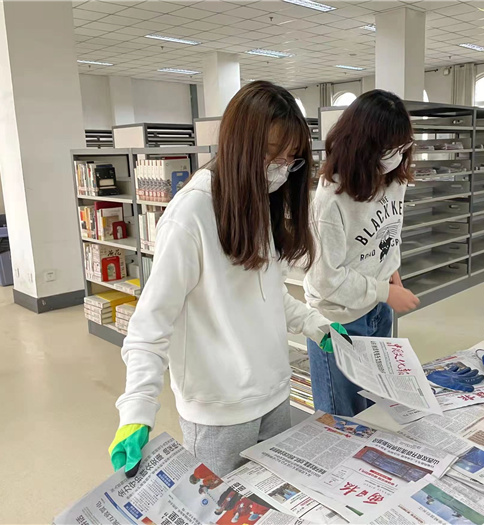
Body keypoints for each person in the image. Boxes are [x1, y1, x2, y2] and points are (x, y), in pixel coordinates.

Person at [108, 81, 339, 478]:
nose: (281, 169)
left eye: (291, 159)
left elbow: (265, 293)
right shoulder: (191, 214)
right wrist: (136, 409)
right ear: (239, 145)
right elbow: (151, 324)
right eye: (271, 154)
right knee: (219, 505)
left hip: (274, 394)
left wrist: (316, 325)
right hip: (219, 413)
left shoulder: (257, 199)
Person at [304, 90, 420, 417]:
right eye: (388, 149)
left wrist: (391, 272)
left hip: (378, 308)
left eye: (402, 147)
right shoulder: (331, 199)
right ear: (362, 145)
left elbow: (387, 233)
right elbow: (325, 280)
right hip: (339, 318)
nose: (396, 157)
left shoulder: (394, 180)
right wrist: (385, 291)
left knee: (376, 408)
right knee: (342, 417)